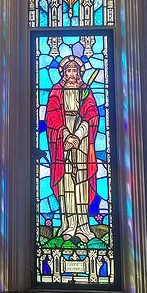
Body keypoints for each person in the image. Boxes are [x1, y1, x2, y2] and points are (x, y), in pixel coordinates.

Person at [44, 56, 99, 244]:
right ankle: (68, 225)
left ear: (79, 73)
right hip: (62, 140)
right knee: (66, 181)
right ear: (63, 73)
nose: (72, 74)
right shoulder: (56, 91)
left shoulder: (85, 91)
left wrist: (80, 133)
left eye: (75, 70)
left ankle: (83, 225)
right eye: (68, 71)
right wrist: (66, 134)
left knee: (81, 181)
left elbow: (92, 114)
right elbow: (51, 117)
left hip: (82, 139)